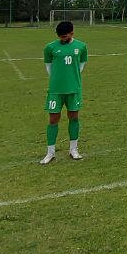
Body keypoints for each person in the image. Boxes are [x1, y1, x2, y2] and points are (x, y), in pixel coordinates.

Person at [41, 20, 87, 164]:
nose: (62, 39)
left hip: (73, 89)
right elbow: (48, 67)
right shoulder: (49, 48)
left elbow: (81, 65)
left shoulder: (81, 46)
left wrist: (71, 78)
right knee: (53, 119)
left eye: (65, 36)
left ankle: (73, 149)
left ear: (72, 33)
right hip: (55, 90)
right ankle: (50, 152)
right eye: (60, 37)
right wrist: (58, 79)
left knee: (73, 117)